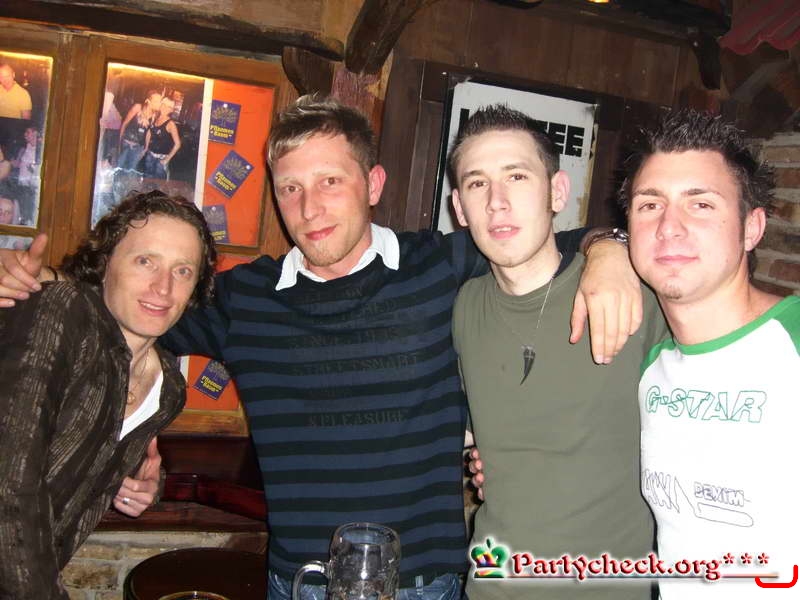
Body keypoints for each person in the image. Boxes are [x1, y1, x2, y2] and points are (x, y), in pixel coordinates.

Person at [0, 96, 640, 600]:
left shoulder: (441, 266)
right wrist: (29, 281)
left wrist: (608, 249)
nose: (309, 208)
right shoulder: (241, 299)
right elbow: (126, 309)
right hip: (297, 584)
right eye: (290, 187)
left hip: (427, 586)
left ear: (374, 183)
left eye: (331, 180)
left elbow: (541, 239)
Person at [449, 105, 667, 600]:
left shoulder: (633, 295)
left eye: (517, 176)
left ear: (557, 192)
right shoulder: (465, 307)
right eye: (478, 183)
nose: (497, 202)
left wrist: (612, 245)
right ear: (459, 207)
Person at [0, 190, 217, 600]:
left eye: (183, 270)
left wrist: (146, 484)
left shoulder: (168, 388)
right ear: (104, 265)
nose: (163, 287)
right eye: (145, 261)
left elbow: (85, 449)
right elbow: (9, 481)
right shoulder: (63, 313)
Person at [621, 109, 799, 599]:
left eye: (700, 204)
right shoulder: (652, 368)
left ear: (751, 228)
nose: (669, 227)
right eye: (649, 205)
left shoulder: (793, 342)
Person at [118, 90, 162, 171]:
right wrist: (119, 141)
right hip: (126, 144)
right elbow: (125, 123)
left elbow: (148, 132)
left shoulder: (155, 115)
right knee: (118, 167)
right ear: (148, 101)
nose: (159, 103)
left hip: (138, 148)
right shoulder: (138, 107)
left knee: (130, 171)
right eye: (157, 101)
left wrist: (145, 148)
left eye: (160, 101)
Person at [142, 96, 181, 179]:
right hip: (150, 155)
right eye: (164, 104)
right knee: (147, 178)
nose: (165, 108)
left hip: (161, 159)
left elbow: (178, 144)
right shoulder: (155, 117)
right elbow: (149, 132)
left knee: (158, 182)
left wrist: (167, 159)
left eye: (169, 107)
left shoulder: (171, 124)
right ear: (161, 104)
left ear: (171, 110)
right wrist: (146, 148)